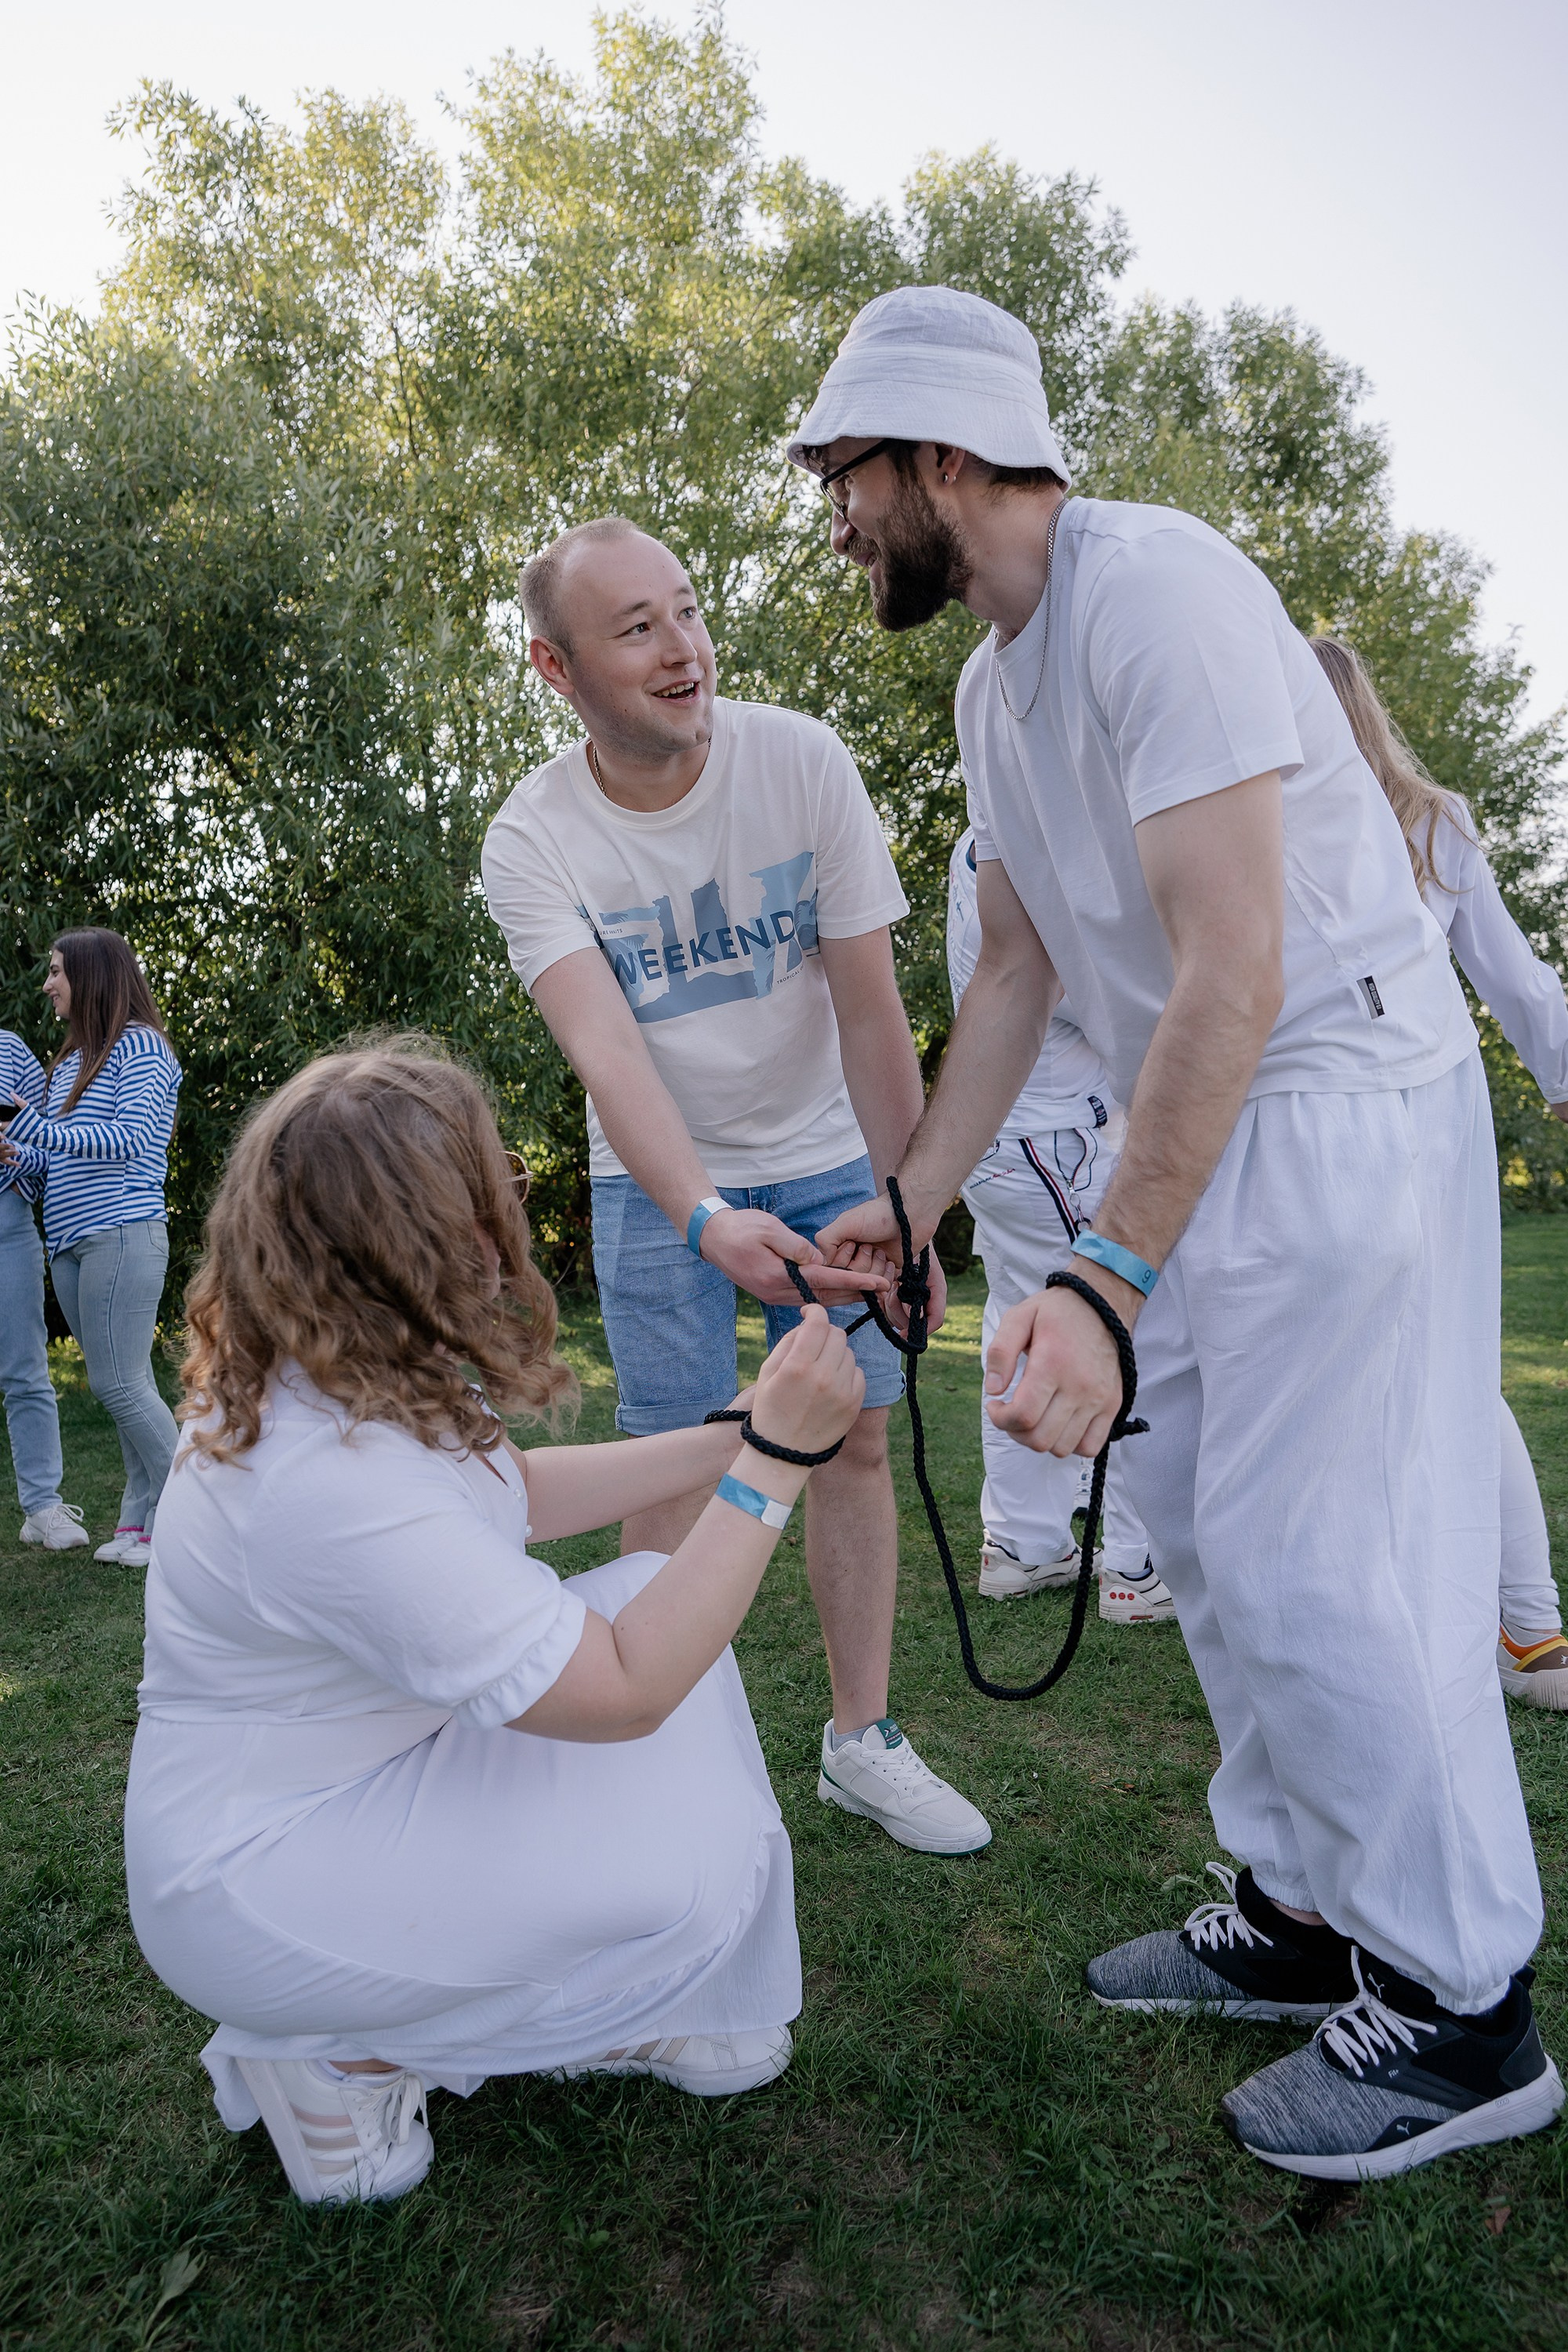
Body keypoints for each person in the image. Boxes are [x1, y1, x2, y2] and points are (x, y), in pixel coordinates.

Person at [789, 285, 1562, 2179]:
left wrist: (1105, 1273)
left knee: (1326, 1556)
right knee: (1210, 1546)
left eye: (843, 474)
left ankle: (1463, 2011)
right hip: (1204, 1117)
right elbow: (1018, 979)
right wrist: (902, 1210)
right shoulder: (990, 684)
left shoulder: (1161, 587)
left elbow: (1235, 961)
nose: (826, 516)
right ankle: (1303, 1911)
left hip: (1326, 1103)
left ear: (944, 456)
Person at [126, 1041, 858, 2205]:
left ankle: (477, 2011)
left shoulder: (333, 1361)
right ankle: (338, 2052)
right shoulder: (325, 1480)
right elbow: (623, 1689)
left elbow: (513, 1488)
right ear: (409, 1240)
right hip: (258, 1876)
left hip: (356, 1777)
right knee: (684, 1877)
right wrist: (771, 1466)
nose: (504, 1213)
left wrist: (740, 1429)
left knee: (640, 1601)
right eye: (484, 1192)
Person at [481, 516, 991, 1856]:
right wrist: (702, 1213)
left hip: (830, 1152)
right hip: (658, 1179)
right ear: (557, 666)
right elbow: (604, 1048)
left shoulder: (802, 760)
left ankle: (860, 1740)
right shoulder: (532, 837)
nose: (682, 650)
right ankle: (661, 1752)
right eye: (636, 627)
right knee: (669, 1461)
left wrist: (913, 1200)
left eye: (689, 612)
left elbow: (874, 1013)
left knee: (856, 1439)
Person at [1310, 635, 1568, 1712]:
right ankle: (1419, 1615)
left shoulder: (1430, 824)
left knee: (1448, 1364)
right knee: (1341, 1374)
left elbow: (1514, 975)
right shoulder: (1260, 828)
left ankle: (1528, 1626)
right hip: (1312, 1131)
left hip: (1422, 1121)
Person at [946, 828, 1167, 1622]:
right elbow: (1092, 1000)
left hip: (1007, 1141)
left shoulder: (990, 835)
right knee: (1122, 1327)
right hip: (1049, 1144)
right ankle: (1137, 1566)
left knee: (1019, 1330)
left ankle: (1025, 1545)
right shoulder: (1035, 837)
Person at [0, 931, 181, 1568]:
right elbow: (55, 1156)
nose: (47, 984)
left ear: (90, 975)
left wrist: (31, 1126)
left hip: (123, 1232)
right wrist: (17, 1150)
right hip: (72, 1241)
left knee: (120, 1383)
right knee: (118, 1390)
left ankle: (196, 1515)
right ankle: (139, 1525)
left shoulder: (142, 1048)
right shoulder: (71, 1062)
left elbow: (128, 1139)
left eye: (56, 972)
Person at [0, 1027, 87, 1551]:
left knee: (26, 1370)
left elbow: (50, 1131)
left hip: (7, 1223)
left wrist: (13, 1157)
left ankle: (42, 1507)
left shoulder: (8, 1049)